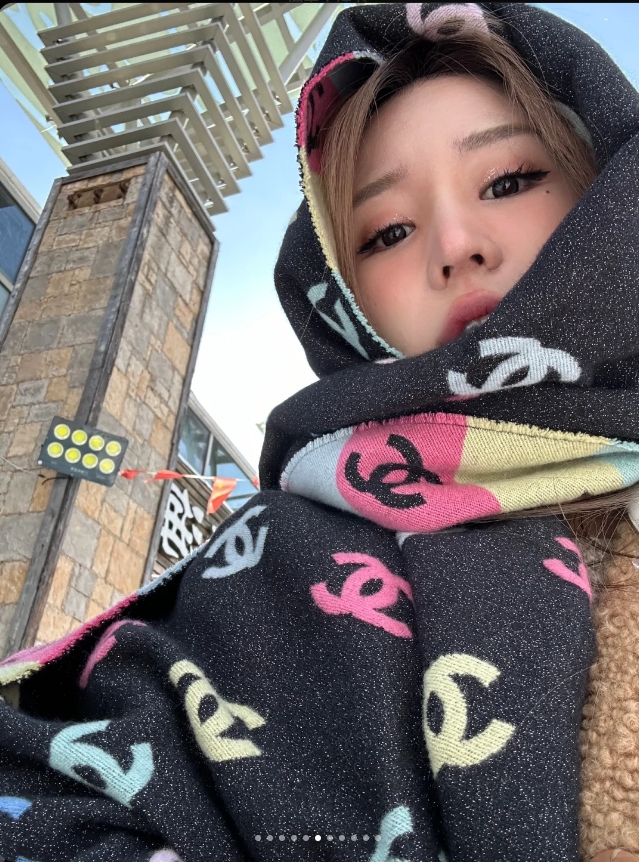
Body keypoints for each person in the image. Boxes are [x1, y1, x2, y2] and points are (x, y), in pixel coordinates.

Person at [1, 3, 639, 860]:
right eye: (387, 232)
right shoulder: (276, 560)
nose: (454, 245)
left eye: (508, 180)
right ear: (341, 294)